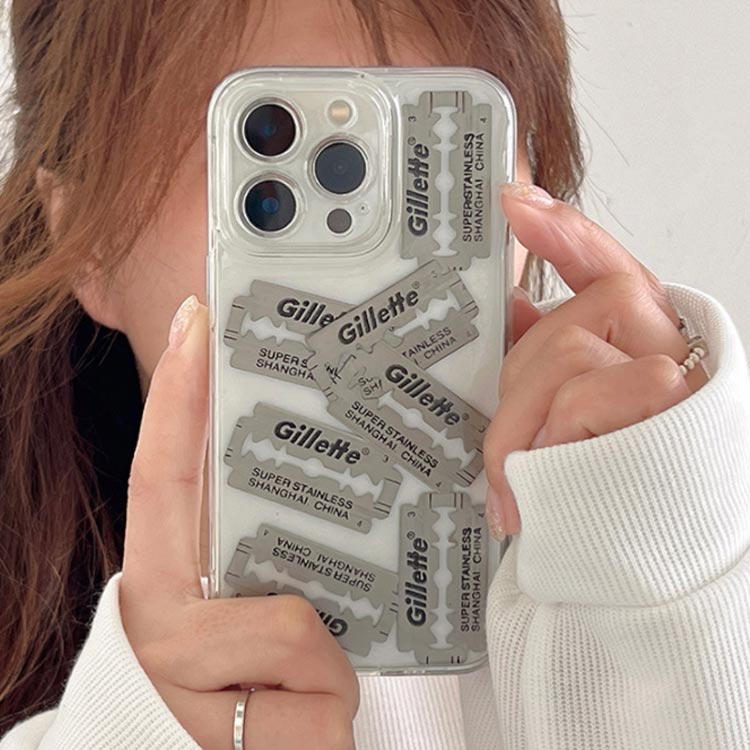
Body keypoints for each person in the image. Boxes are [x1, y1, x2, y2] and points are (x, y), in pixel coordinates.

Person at [1, 1, 748, 748]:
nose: (385, 256)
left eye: (439, 147)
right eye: (264, 145)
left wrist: (693, 594)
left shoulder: (667, 600)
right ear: (87, 247)